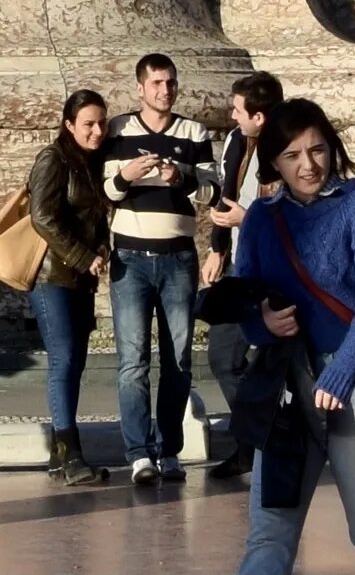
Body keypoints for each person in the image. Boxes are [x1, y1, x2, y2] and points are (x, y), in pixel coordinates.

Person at [219, 99, 355, 575]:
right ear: (275, 163)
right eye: (292, 155)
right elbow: (246, 295)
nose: (308, 165)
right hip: (288, 388)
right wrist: (260, 320)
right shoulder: (262, 217)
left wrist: (342, 373)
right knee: (270, 531)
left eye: (318, 150)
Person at [99, 51, 216, 483]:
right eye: (156, 84)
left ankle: (170, 451)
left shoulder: (193, 131)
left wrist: (179, 178)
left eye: (170, 83)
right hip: (130, 259)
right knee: (132, 361)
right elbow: (107, 192)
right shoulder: (118, 130)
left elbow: (209, 192)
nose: (164, 91)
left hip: (178, 258)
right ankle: (138, 454)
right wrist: (128, 174)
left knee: (179, 360)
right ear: (140, 88)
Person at [26, 89, 115, 487]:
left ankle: (59, 456)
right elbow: (42, 216)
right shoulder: (54, 159)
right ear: (68, 126)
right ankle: (71, 452)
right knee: (63, 360)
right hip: (52, 278)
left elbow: (96, 216)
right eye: (88, 124)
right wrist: (83, 255)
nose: (97, 131)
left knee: (75, 362)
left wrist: (102, 247)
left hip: (80, 278)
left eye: (101, 123)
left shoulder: (93, 162)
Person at [201, 69, 287, 483]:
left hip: (276, 272)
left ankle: (260, 443)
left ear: (261, 116)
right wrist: (218, 243)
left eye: (238, 110)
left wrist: (245, 218)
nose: (232, 116)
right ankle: (255, 441)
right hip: (239, 264)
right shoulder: (238, 141)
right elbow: (226, 193)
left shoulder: (288, 150)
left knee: (269, 361)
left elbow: (293, 215)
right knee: (223, 357)